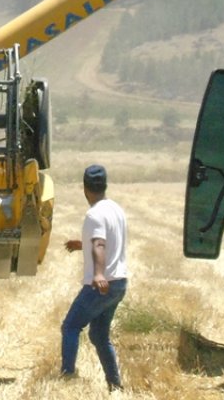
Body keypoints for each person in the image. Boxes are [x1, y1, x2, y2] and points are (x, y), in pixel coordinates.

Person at [61, 164, 129, 391]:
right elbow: (106, 241)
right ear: (105, 186)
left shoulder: (94, 214)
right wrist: (80, 244)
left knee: (70, 326)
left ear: (84, 189)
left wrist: (98, 274)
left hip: (101, 284)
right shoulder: (116, 210)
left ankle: (67, 377)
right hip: (119, 283)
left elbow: (99, 244)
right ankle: (115, 385)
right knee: (99, 336)